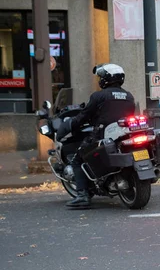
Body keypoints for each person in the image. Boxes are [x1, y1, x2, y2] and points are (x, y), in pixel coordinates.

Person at [56, 63, 136, 209]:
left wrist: (71, 125)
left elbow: (84, 115)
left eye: (101, 77)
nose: (100, 80)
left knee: (77, 159)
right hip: (124, 134)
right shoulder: (129, 96)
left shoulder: (99, 96)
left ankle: (82, 195)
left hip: (102, 134)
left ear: (106, 79)